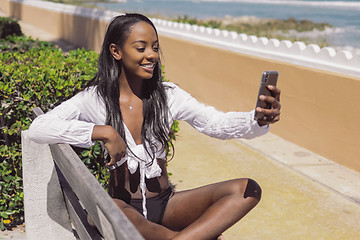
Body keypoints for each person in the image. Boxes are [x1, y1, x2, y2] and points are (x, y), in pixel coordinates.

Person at [28, 13, 281, 240]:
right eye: (141, 48)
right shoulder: (96, 98)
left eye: (155, 47)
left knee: (247, 190)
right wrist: (102, 131)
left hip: (166, 204)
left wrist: (256, 119)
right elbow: (40, 127)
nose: (151, 55)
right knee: (110, 211)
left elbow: (215, 124)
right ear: (116, 51)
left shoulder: (169, 95)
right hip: (125, 208)